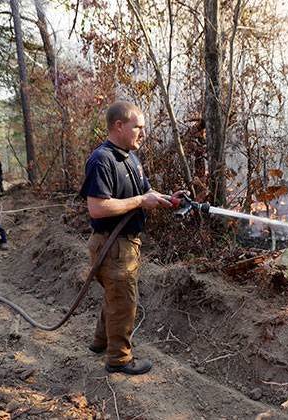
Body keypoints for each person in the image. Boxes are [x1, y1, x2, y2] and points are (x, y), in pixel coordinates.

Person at [79, 101, 185, 375]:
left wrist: (168, 200)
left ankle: (100, 342)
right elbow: (98, 207)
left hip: (126, 245)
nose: (143, 133)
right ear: (119, 126)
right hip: (112, 245)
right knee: (125, 301)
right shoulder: (102, 159)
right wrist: (140, 200)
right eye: (138, 127)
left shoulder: (130, 157)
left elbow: (145, 192)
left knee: (115, 297)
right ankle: (119, 359)